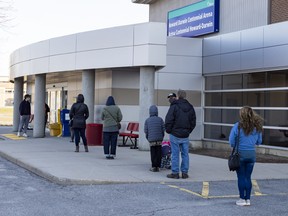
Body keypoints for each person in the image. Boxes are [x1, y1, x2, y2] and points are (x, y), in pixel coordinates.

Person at [229, 106, 263, 206]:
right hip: (251, 154)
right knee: (248, 177)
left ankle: (242, 199)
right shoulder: (257, 127)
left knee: (241, 177)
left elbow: (231, 141)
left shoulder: (237, 126)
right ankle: (248, 199)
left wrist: (235, 145)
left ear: (241, 115)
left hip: (240, 154)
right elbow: (259, 142)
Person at [165, 89, 196, 179]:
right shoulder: (190, 107)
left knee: (175, 154)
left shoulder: (174, 106)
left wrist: (169, 130)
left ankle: (175, 173)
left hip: (175, 134)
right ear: (185, 96)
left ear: (178, 96)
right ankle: (184, 172)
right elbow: (193, 121)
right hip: (185, 134)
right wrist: (188, 131)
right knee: (185, 154)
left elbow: (169, 119)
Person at [144, 105, 165, 172]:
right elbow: (163, 129)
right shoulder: (160, 119)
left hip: (151, 140)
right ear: (157, 112)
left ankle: (153, 166)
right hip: (159, 139)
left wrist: (148, 138)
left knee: (153, 153)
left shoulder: (147, 120)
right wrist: (162, 137)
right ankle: (158, 166)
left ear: (150, 112)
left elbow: (146, 131)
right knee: (159, 152)